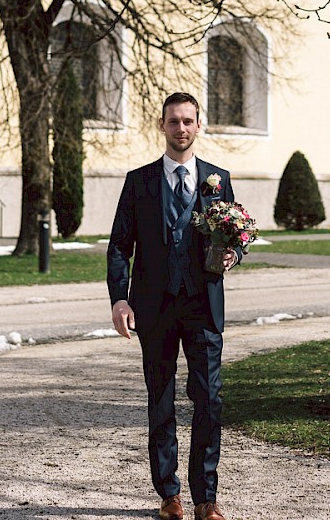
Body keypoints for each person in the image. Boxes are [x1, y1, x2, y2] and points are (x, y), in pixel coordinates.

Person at [107, 92, 238, 520]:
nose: (181, 129)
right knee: (161, 401)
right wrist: (120, 299)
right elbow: (118, 246)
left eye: (188, 121)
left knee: (209, 400)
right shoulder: (138, 181)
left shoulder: (218, 178)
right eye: (173, 121)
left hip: (203, 306)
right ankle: (169, 495)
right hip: (155, 308)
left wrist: (233, 255)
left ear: (199, 125)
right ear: (162, 126)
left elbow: (234, 237)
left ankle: (207, 499)